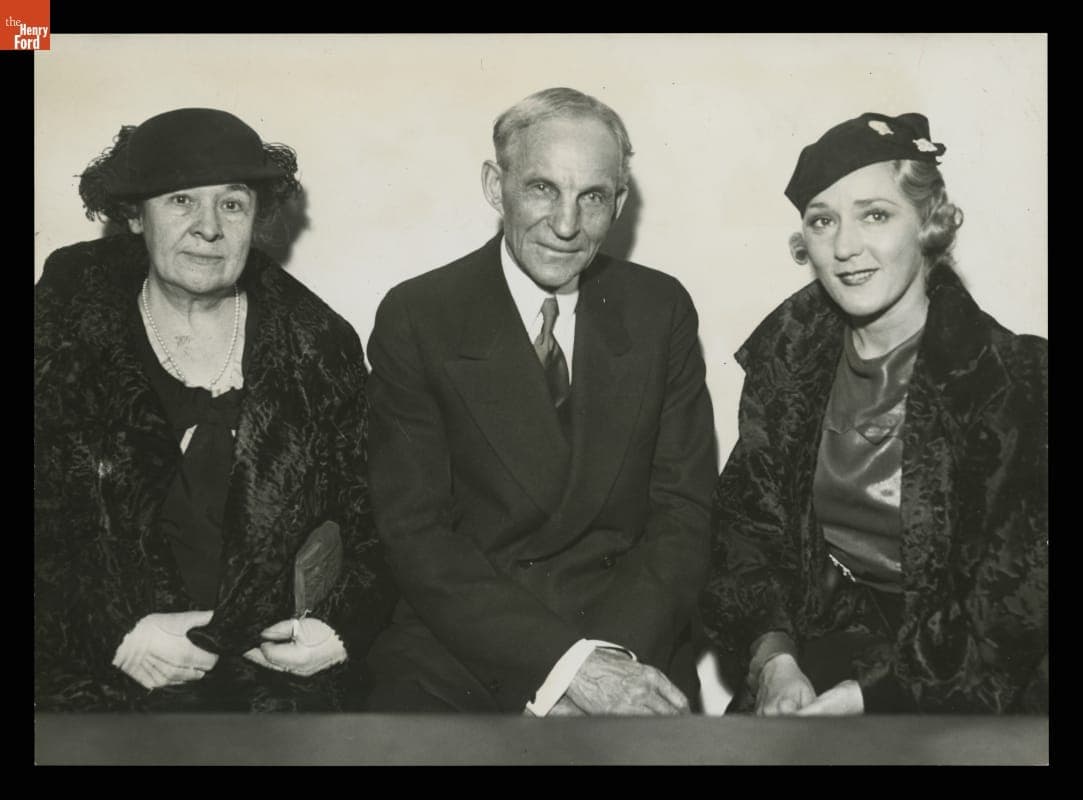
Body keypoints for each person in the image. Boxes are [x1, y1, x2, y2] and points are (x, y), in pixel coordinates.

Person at [364, 87, 716, 715]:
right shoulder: (419, 317)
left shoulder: (660, 311)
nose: (566, 225)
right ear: (495, 186)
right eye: (542, 189)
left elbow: (682, 515)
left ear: (620, 203)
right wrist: (562, 666)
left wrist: (607, 663)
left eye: (593, 197)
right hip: (465, 648)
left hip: (630, 639)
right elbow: (416, 535)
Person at [34, 108, 396, 711]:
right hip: (91, 669)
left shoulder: (316, 344)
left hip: (267, 678)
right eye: (180, 201)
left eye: (232, 204)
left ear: (257, 217)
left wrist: (336, 631)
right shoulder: (64, 322)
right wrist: (115, 633)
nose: (208, 229)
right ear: (135, 214)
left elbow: (378, 520)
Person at [701, 112, 1048, 715]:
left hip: (966, 684)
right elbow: (747, 535)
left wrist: (867, 698)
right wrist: (775, 660)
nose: (844, 247)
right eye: (822, 220)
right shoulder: (787, 365)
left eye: (875, 214)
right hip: (814, 662)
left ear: (929, 222)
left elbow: (1013, 608)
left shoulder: (1011, 380)